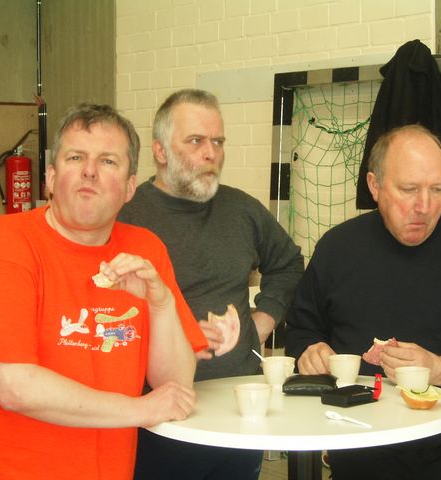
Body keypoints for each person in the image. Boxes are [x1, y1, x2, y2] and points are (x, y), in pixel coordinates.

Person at [0, 104, 208, 480]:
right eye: (76, 157)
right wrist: (140, 409)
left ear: (130, 187)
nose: (89, 171)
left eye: (108, 161)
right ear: (50, 177)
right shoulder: (5, 244)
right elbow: (14, 387)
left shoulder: (144, 250)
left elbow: (174, 388)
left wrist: (161, 304)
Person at [285, 124, 441, 479]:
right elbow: (301, 330)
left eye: (438, 189)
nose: (424, 206)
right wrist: (309, 350)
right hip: (357, 450)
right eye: (409, 189)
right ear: (374, 186)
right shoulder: (336, 249)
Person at [118, 89, 304, 480]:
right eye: (196, 141)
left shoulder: (242, 209)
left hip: (238, 406)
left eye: (218, 142)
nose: (211, 154)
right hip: (157, 417)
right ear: (160, 151)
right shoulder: (126, 215)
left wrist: (262, 321)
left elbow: (288, 264)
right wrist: (175, 338)